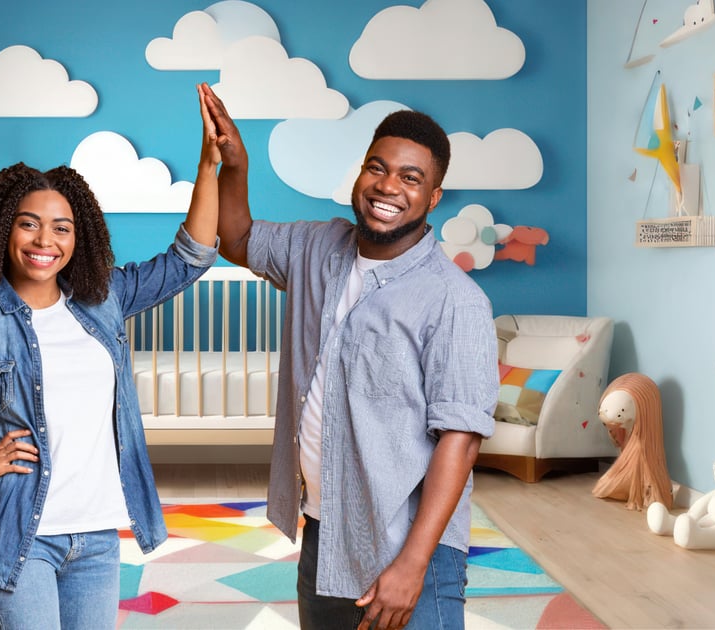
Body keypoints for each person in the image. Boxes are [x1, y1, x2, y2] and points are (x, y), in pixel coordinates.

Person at [0, 84, 221, 630]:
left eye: (62, 227)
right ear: (4, 230)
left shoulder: (104, 301)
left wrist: (209, 164)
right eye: (29, 223)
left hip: (97, 538)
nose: (44, 239)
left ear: (81, 238)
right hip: (15, 537)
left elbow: (189, 259)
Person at [201, 84, 498, 630]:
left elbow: (461, 438)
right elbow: (237, 239)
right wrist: (235, 164)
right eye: (376, 168)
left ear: (433, 197)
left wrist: (412, 565)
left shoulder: (455, 300)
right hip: (325, 530)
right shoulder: (317, 247)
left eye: (411, 178)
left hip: (408, 548)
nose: (388, 187)